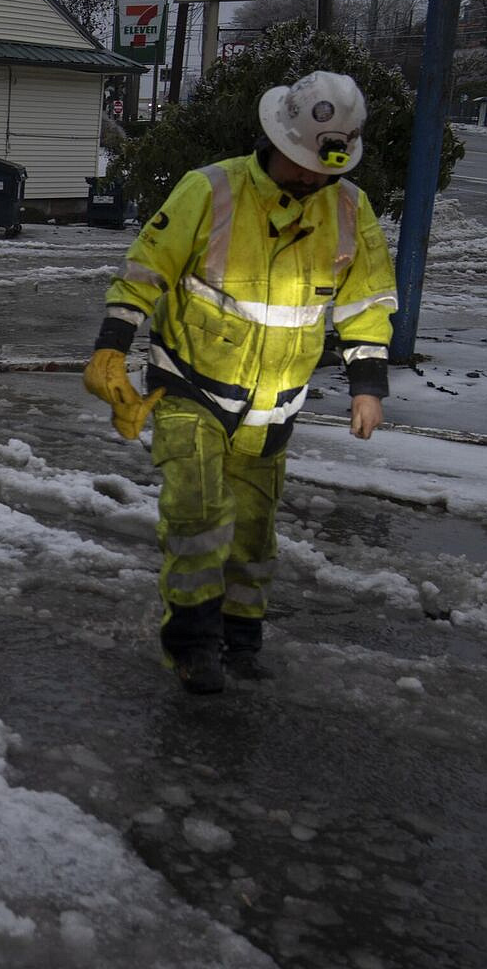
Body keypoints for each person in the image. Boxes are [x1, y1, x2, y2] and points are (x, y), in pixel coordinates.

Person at [83, 70, 399, 695]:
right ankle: (193, 644)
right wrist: (111, 349)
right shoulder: (211, 190)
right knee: (198, 514)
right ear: (276, 138)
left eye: (323, 167)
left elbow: (365, 303)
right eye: (304, 162)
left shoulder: (348, 209)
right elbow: (144, 273)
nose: (312, 177)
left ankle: (241, 636)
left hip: (273, 404)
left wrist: (368, 384)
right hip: (189, 386)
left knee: (253, 528)